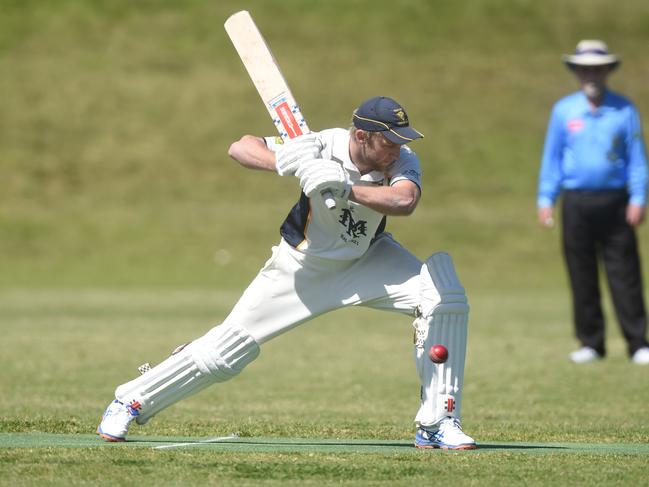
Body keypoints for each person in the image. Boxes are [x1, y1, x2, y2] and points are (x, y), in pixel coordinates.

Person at [97, 96, 477, 449]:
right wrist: (283, 161)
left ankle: (437, 421)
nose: (396, 149)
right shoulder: (318, 145)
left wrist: (345, 188)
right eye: (388, 142)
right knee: (224, 353)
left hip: (369, 261)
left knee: (444, 297)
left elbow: (404, 200)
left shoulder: (403, 159)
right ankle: (129, 400)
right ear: (361, 136)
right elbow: (240, 147)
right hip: (300, 269)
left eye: (400, 141)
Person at [537, 40, 649, 365]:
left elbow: (637, 159)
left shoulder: (624, 109)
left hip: (616, 201)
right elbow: (553, 158)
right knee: (581, 272)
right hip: (576, 201)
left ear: (607, 71)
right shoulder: (564, 110)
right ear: (576, 71)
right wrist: (546, 198)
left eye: (597, 68)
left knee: (625, 272)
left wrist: (638, 197)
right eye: (584, 68)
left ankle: (638, 342)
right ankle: (591, 342)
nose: (591, 74)